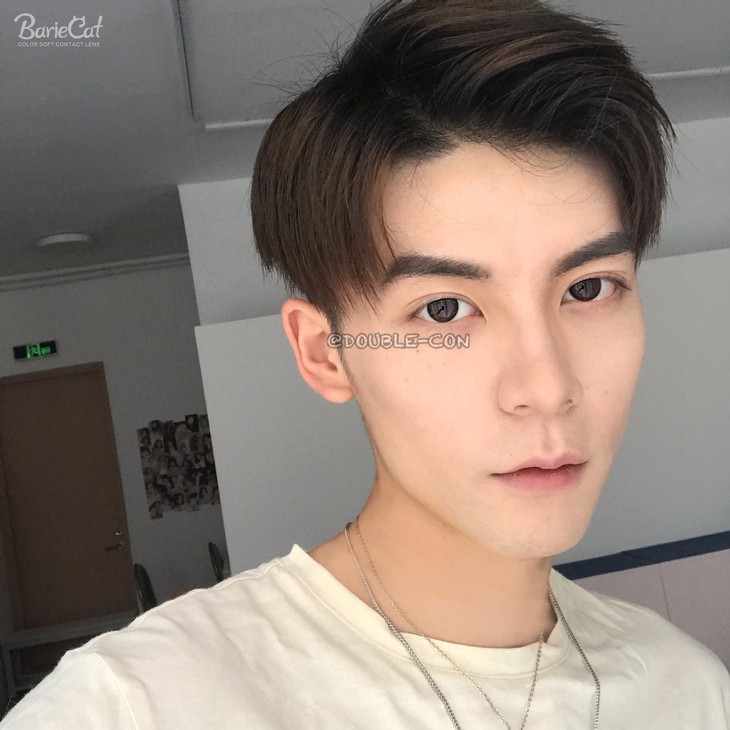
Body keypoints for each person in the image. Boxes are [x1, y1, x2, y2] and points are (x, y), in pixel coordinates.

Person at [2, 1, 729, 728]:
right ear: (326, 353)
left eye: (588, 288)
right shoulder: (139, 705)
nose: (546, 387)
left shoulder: (688, 690)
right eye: (443, 308)